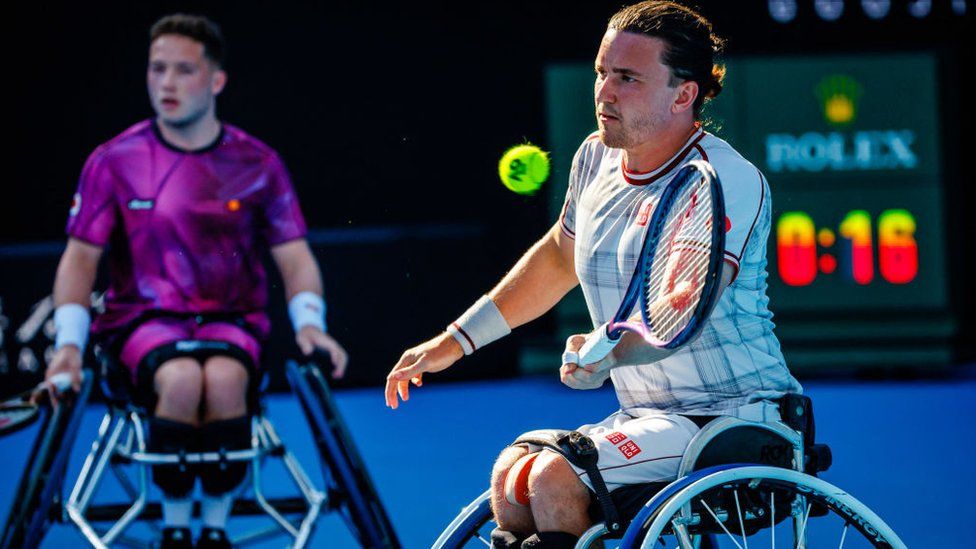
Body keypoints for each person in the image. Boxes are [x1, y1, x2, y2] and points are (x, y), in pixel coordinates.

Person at [385, 2, 802, 547]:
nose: (604, 92)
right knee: (511, 478)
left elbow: (680, 306)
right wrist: (454, 342)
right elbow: (559, 258)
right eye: (602, 72)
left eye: (627, 78)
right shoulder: (595, 158)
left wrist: (610, 347)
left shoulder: (726, 179)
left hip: (738, 423)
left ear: (684, 93)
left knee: (555, 476)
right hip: (648, 417)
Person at [44, 14, 348, 549]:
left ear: (216, 81)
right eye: (157, 69)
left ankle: (212, 530)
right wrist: (68, 348)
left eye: (184, 70)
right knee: (183, 379)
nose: (166, 83)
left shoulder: (259, 162)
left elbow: (295, 258)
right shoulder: (113, 161)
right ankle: (177, 528)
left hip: (233, 324)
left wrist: (311, 327)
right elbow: (78, 260)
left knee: (226, 381)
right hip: (143, 324)